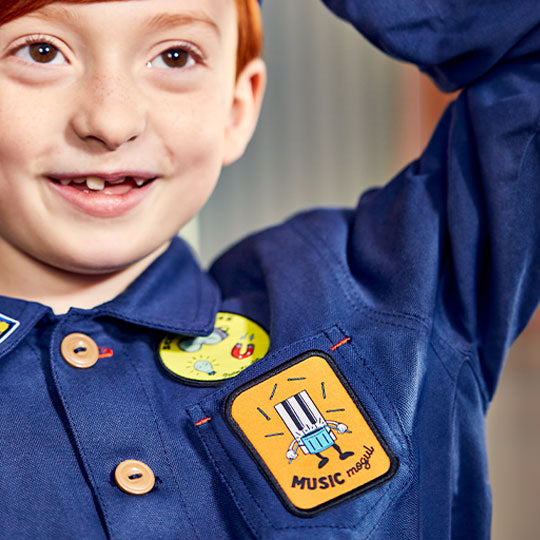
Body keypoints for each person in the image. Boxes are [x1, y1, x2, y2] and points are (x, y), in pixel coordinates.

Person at [0, 0, 538, 538]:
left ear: (237, 109)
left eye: (175, 56)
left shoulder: (375, 290)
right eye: (41, 52)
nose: (111, 122)